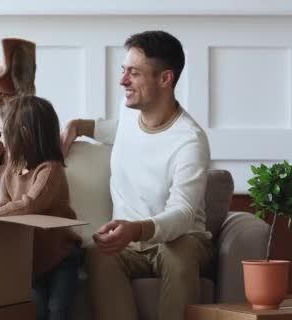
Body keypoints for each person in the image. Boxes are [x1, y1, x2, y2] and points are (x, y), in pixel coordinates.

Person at [61, 30, 212, 320]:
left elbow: (182, 214)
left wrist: (136, 228)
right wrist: (77, 126)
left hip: (180, 238)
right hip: (129, 244)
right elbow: (117, 130)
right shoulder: (131, 112)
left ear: (165, 79)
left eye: (134, 73)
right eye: (123, 71)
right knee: (96, 254)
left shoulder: (189, 140)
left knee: (177, 255)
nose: (122, 81)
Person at [0, 95, 82, 320]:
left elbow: (29, 204)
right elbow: (3, 205)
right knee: (34, 311)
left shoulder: (50, 170)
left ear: (25, 135)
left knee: (57, 311)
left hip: (61, 255)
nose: (5, 141)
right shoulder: (12, 169)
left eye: (7, 135)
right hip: (31, 257)